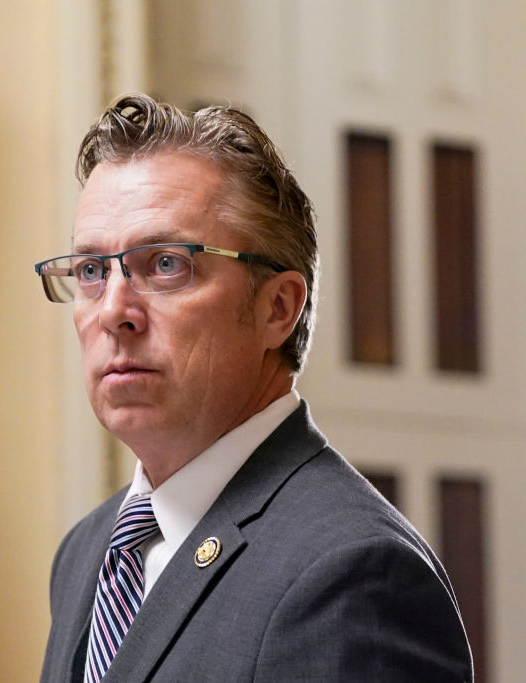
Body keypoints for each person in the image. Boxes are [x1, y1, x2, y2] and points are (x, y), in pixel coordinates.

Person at [35, 94, 473, 682]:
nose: (114, 310)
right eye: (91, 271)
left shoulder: (353, 573)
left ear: (277, 308)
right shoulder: (86, 554)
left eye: (166, 264)